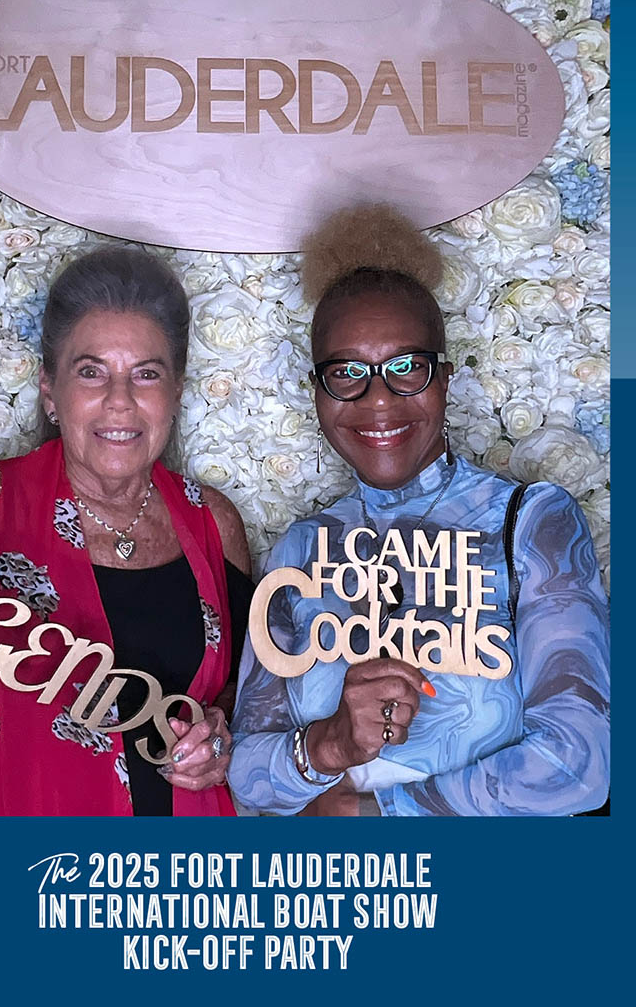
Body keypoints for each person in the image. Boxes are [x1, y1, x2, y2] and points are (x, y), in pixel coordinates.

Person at [229, 206, 609, 816]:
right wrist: (329, 745)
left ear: (446, 379)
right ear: (318, 392)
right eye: (346, 372)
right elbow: (248, 775)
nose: (378, 398)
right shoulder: (302, 549)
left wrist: (376, 813)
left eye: (407, 368)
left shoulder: (530, 524)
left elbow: (578, 764)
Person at [0, 245, 253, 816]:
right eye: (91, 372)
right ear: (50, 390)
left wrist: (216, 741)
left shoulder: (213, 524)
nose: (119, 401)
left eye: (146, 374)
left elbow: (241, 701)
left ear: (175, 392)